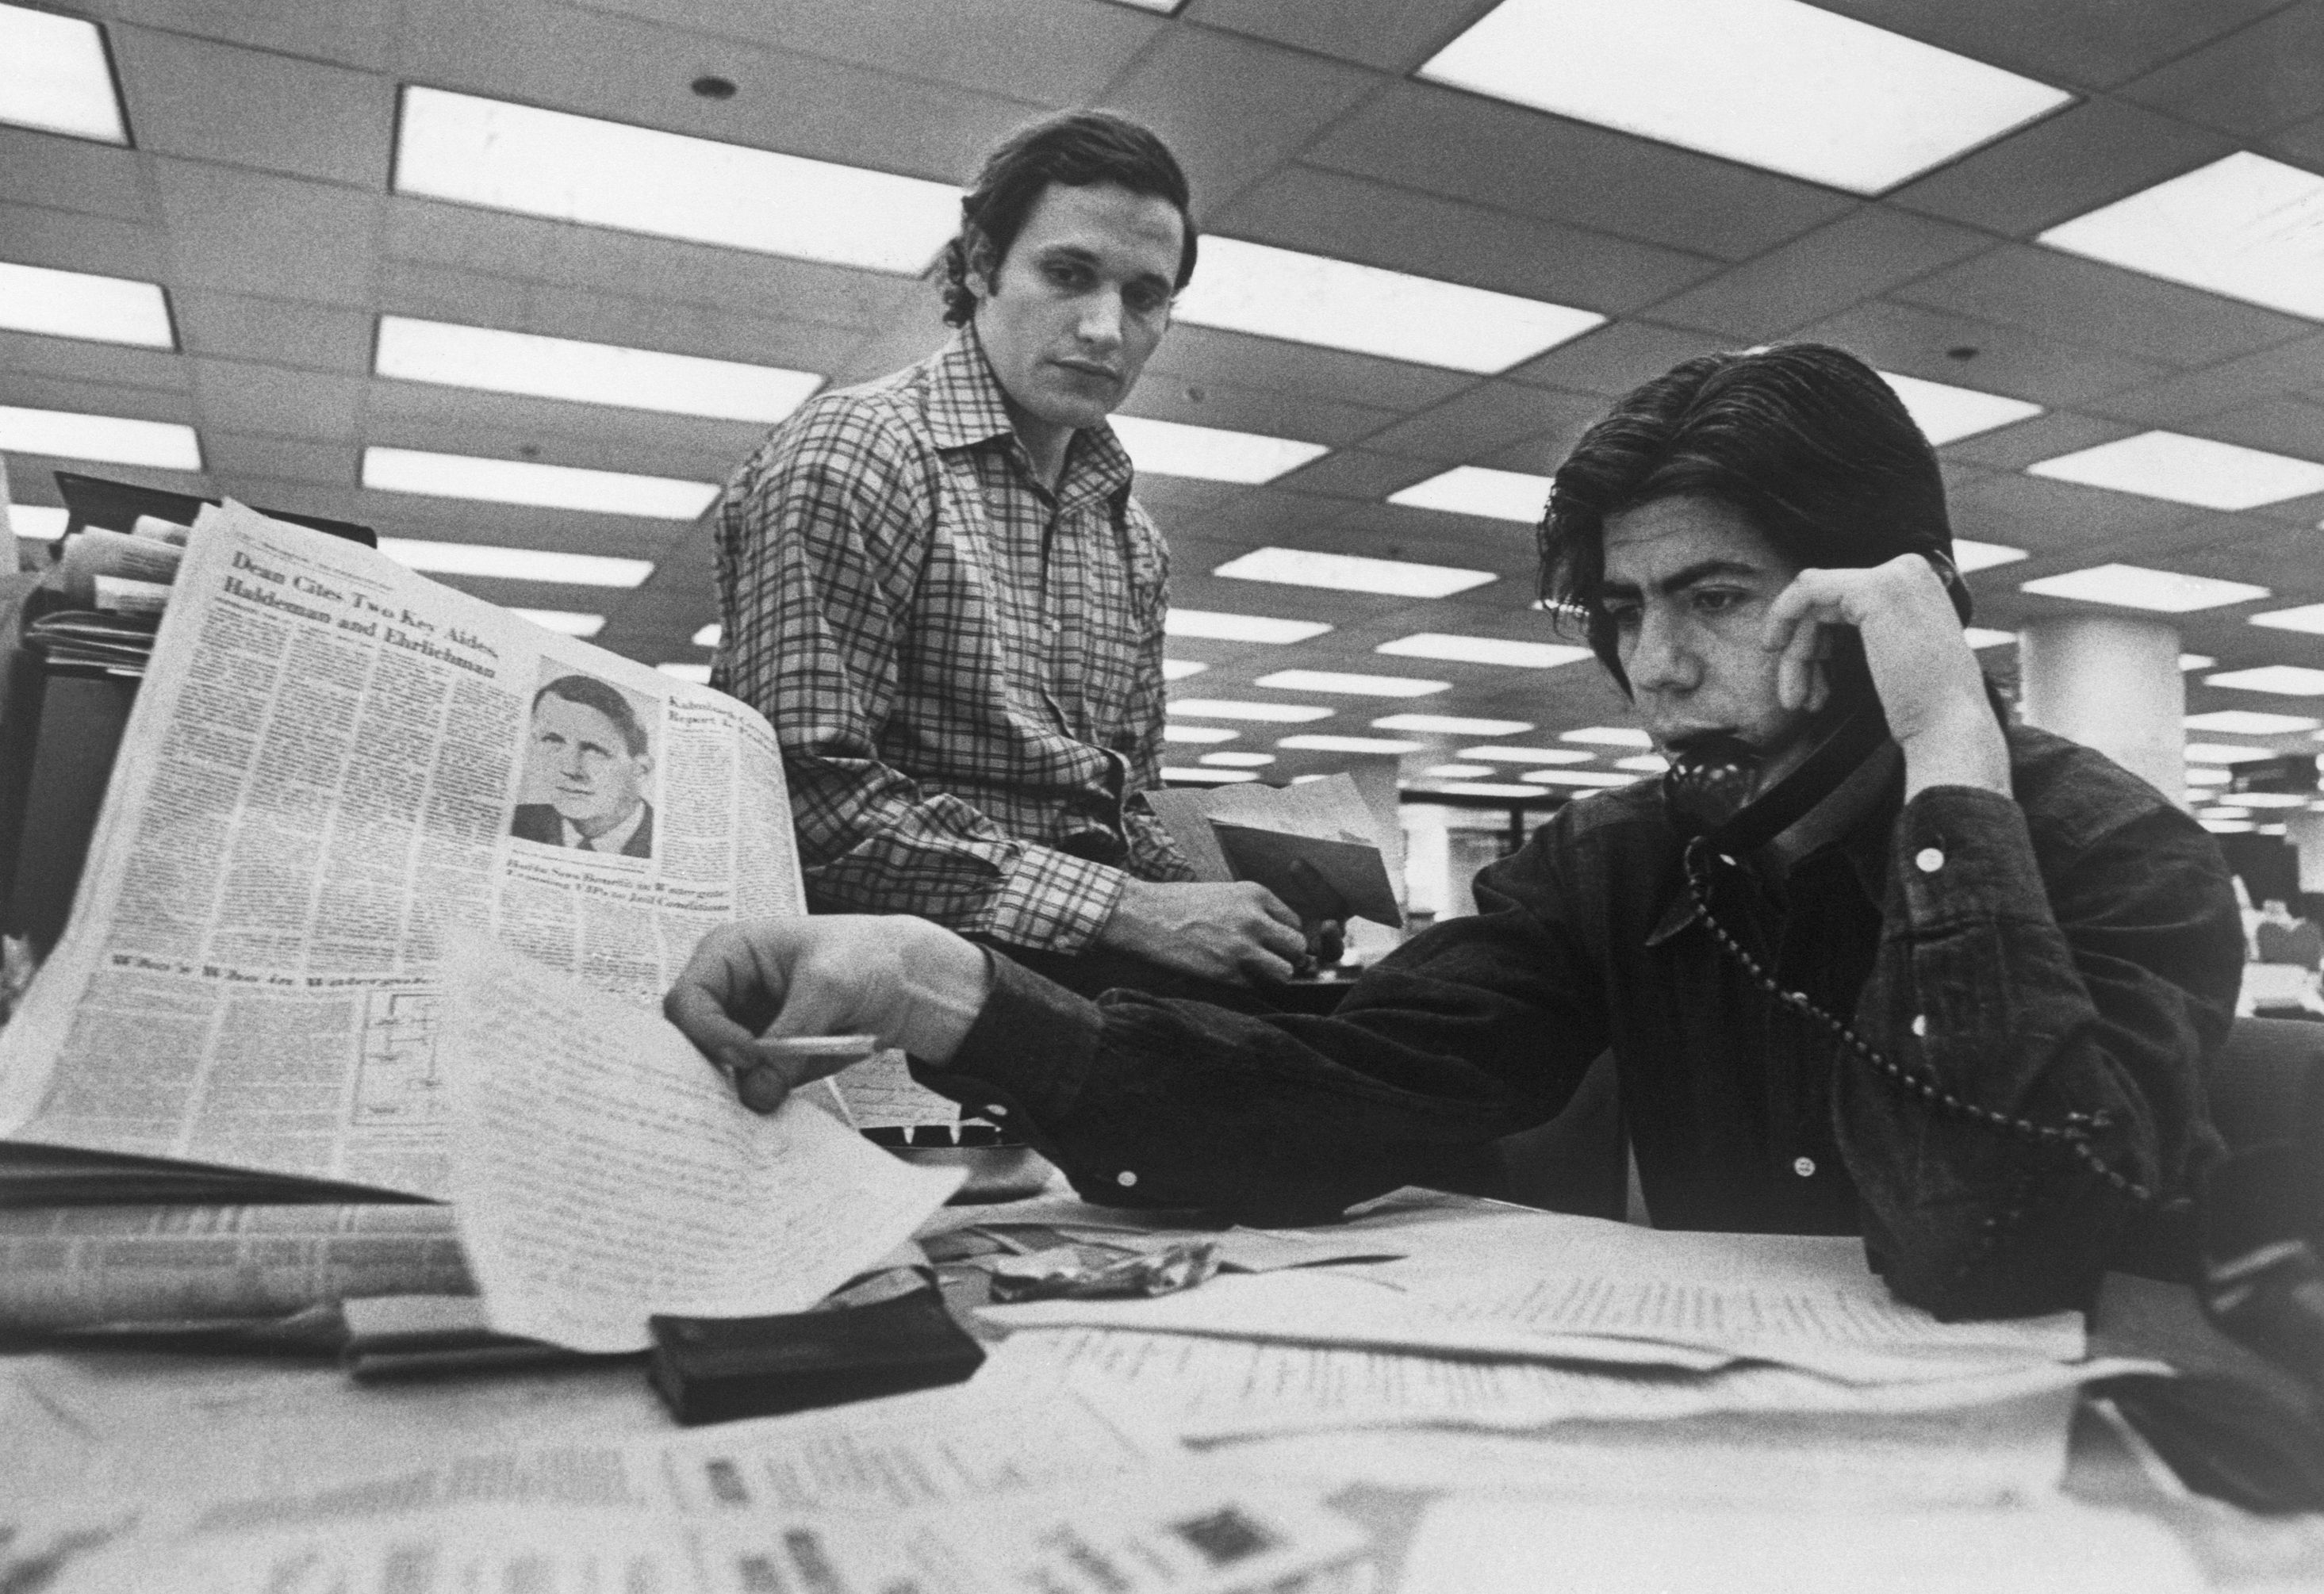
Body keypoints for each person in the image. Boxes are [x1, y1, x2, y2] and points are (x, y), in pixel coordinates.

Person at [669, 344, 2245, 1319]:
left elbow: (1993, 1242)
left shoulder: (2121, 859)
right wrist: (940, 985)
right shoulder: (1621, 865)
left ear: (1888, 598)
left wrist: (1949, 753)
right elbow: (1333, 1095)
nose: (1653, 667)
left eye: (1714, 597)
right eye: (1625, 609)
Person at [710, 109, 1313, 1001]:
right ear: (979, 265)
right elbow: (807, 805)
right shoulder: (860, 453)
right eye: (1068, 274)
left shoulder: (1131, 536)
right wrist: (1126, 908)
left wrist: (1232, 908)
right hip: (901, 987)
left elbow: (1124, 805)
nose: (1105, 328)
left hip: (1084, 981)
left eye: (1144, 297)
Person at [510, 674, 656, 858]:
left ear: (641, 770)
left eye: (594, 750)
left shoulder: (664, 840)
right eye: (553, 740)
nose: (570, 769)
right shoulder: (515, 823)